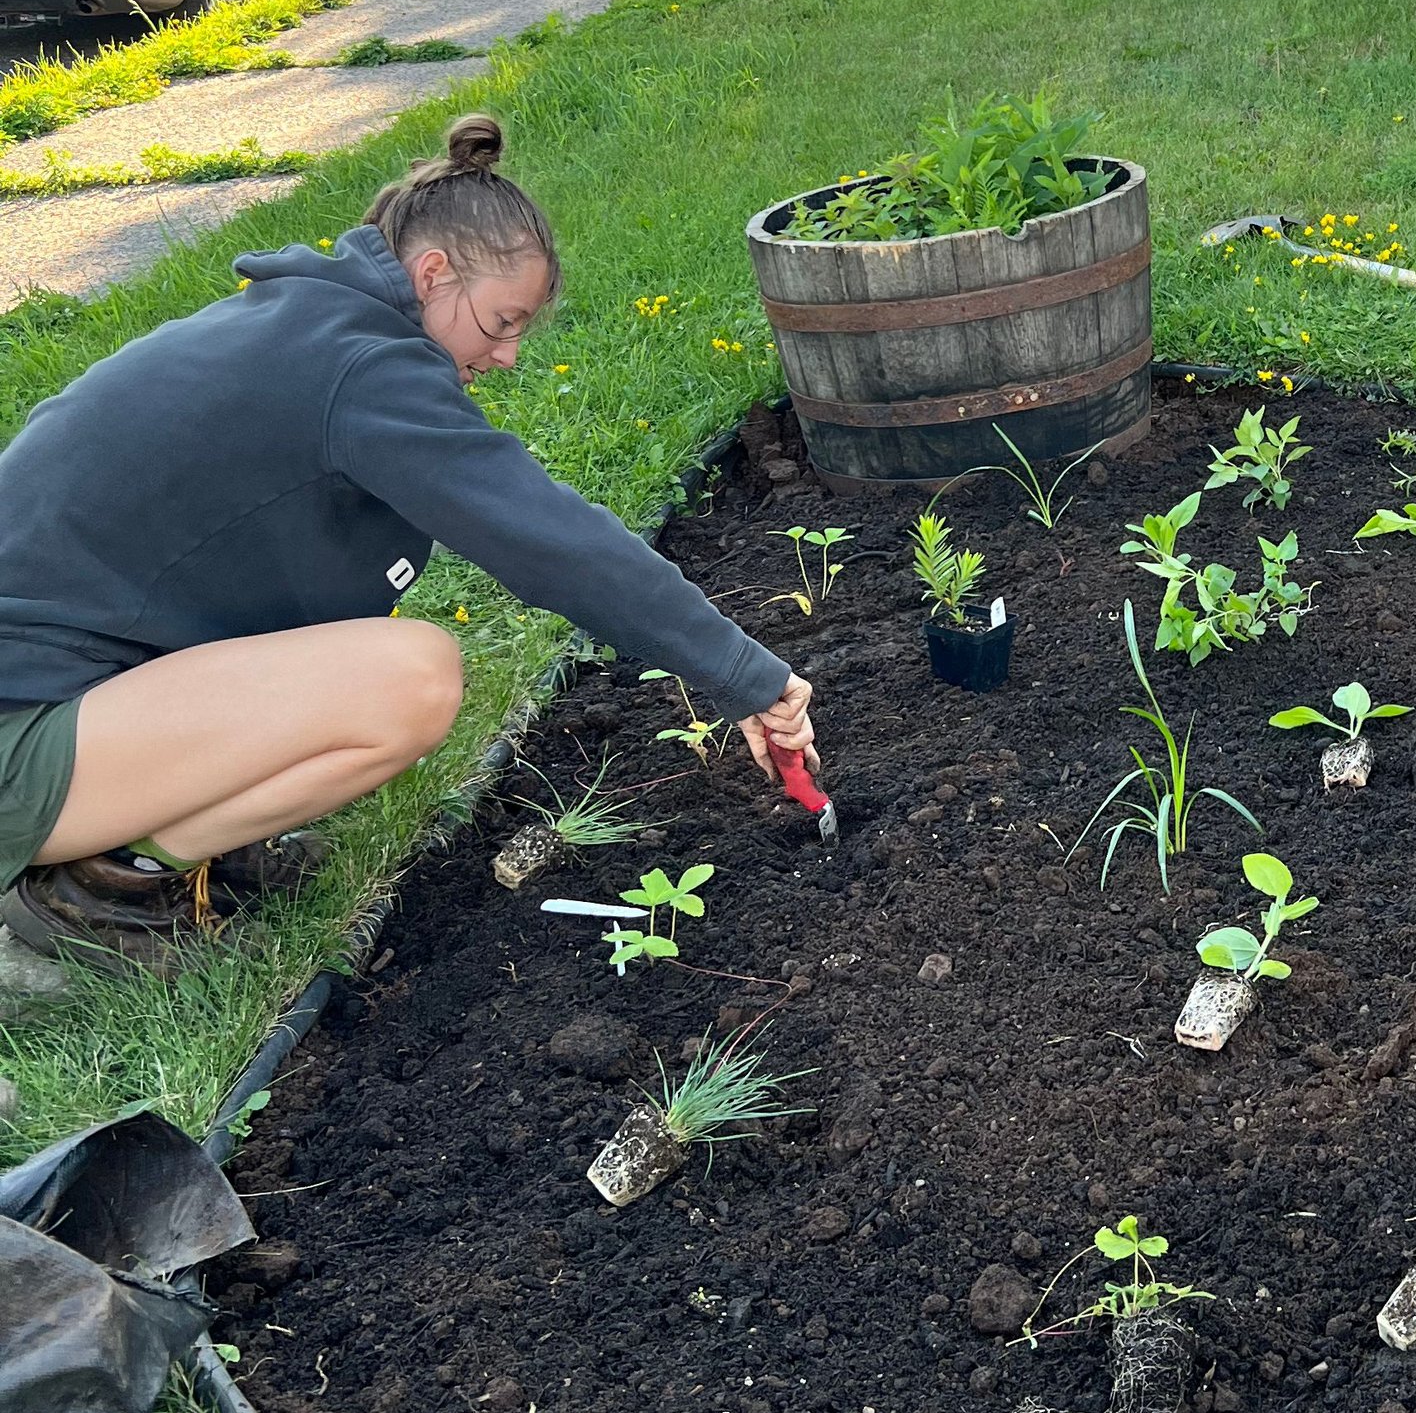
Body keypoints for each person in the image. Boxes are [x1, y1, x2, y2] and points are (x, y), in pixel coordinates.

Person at [0, 114, 814, 980]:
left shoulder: (310, 328)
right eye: (500, 322)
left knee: (343, 669)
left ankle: (143, 832)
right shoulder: (361, 369)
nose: (505, 355)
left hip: (64, 685)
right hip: (22, 725)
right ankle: (95, 887)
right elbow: (551, 540)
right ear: (432, 272)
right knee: (410, 678)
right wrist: (744, 673)